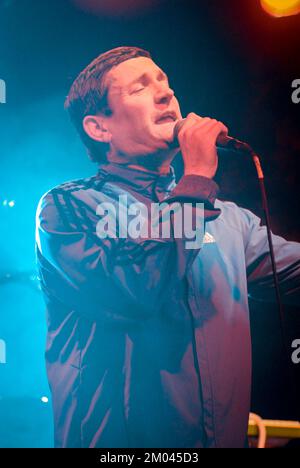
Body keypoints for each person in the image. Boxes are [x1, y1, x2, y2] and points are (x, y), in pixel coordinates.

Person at [35, 46, 300, 449]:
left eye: (165, 82)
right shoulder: (68, 209)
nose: (165, 94)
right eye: (140, 88)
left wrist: (195, 190)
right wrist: (196, 179)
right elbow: (136, 290)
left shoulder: (228, 220)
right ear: (99, 128)